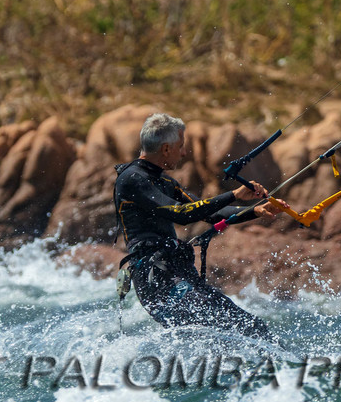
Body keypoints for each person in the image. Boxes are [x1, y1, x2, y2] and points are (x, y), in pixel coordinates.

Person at [112, 113, 280, 339]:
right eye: (180, 146)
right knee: (221, 332)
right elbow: (180, 214)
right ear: (165, 149)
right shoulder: (133, 179)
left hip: (177, 273)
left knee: (252, 327)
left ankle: (284, 370)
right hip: (156, 279)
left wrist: (255, 211)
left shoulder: (165, 182)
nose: (183, 153)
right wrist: (233, 194)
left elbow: (210, 212)